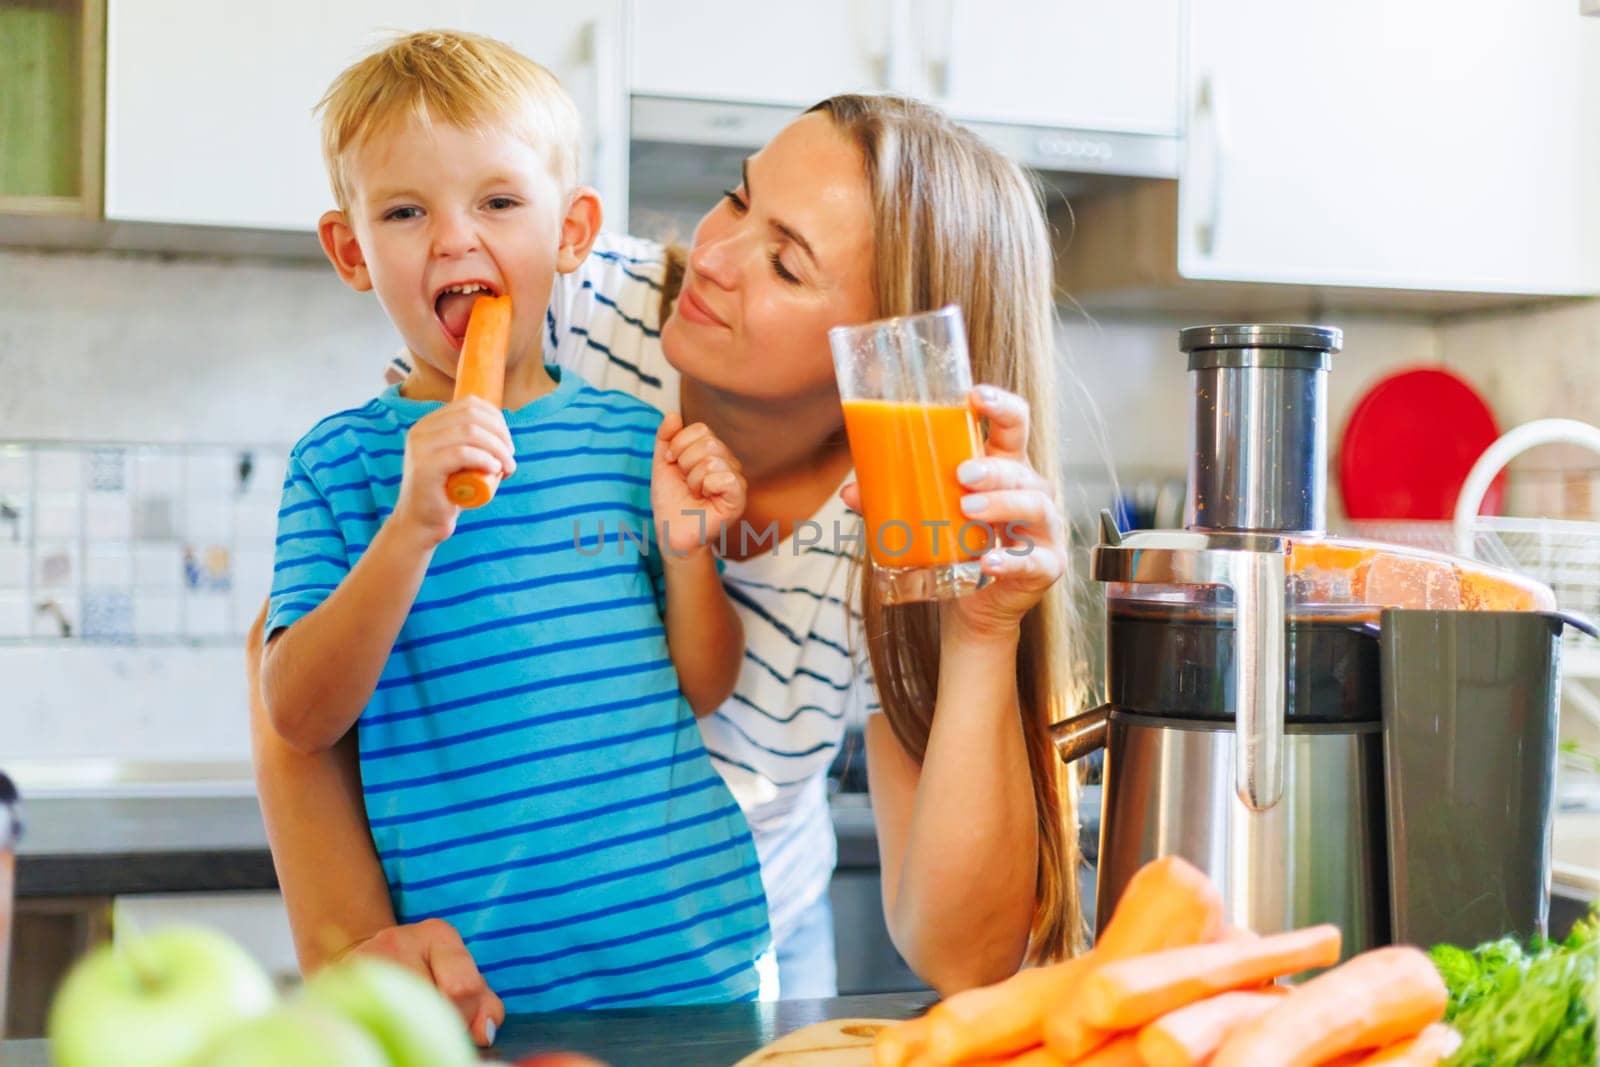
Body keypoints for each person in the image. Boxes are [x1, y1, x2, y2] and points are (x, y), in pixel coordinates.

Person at [251, 88, 1088, 1034]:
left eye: (784, 262)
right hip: (479, 985)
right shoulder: (563, 294)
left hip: (724, 981)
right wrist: (355, 951)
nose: (715, 258)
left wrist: (982, 632)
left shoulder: (905, 509)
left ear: (886, 347)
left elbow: (964, 955)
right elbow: (299, 652)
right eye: (737, 198)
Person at [257, 30, 775, 1036]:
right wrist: (411, 526)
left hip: (690, 968)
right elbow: (299, 713)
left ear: (571, 230)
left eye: (497, 203)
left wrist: (686, 546)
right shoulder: (343, 467)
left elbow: (703, 686)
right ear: (351, 251)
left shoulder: (634, 440)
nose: (454, 239)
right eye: (405, 212)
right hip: (478, 1000)